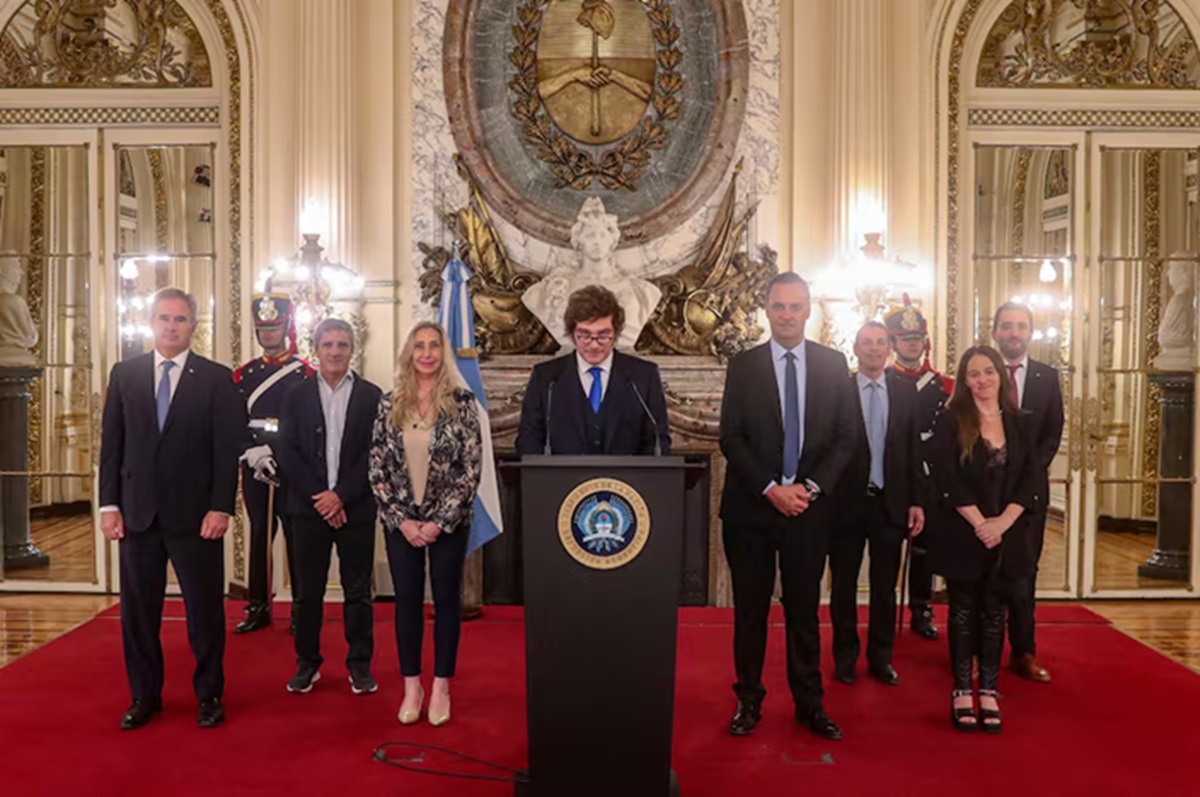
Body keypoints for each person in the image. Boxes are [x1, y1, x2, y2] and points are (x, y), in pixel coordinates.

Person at [99, 287, 245, 730]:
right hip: (137, 515)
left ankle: (209, 695)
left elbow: (226, 451)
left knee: (204, 613)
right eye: (163, 318)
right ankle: (145, 696)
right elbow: (112, 446)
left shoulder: (216, 379)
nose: (171, 326)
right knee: (138, 615)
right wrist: (109, 505)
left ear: (193, 326)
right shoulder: (125, 374)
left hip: (196, 517)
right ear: (151, 322)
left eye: (180, 319)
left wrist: (220, 508)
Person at [719, 272, 855, 739]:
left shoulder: (833, 364)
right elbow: (731, 437)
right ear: (767, 310)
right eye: (779, 306)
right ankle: (748, 702)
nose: (787, 315)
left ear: (808, 310)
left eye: (796, 306)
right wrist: (771, 488)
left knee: (803, 613)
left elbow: (846, 437)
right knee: (749, 613)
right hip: (751, 511)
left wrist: (809, 489)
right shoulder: (743, 366)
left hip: (808, 512)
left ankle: (809, 704)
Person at [369, 321, 482, 726]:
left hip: (447, 523)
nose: (427, 353)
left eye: (434, 345)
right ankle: (412, 686)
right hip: (402, 523)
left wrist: (437, 522)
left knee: (447, 602)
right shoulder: (389, 403)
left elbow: (470, 469)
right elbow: (377, 468)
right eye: (419, 346)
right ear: (409, 353)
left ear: (443, 352)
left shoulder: (463, 403)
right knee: (407, 603)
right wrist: (402, 521)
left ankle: (441, 686)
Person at [928, 345, 1041, 734]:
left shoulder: (1021, 422)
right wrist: (981, 524)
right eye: (973, 374)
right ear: (964, 380)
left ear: (1000, 375)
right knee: (962, 611)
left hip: (1008, 532)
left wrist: (1002, 523)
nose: (982, 380)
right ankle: (962, 690)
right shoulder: (951, 421)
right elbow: (946, 478)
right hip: (964, 530)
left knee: (995, 612)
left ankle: (989, 691)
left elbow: (1031, 480)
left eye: (988, 372)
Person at [275, 318, 382, 695]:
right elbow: (287, 451)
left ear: (353, 349)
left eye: (342, 344)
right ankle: (307, 664)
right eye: (328, 344)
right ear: (316, 349)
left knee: (358, 592)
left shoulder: (372, 396)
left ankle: (360, 666)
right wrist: (321, 496)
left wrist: (341, 496)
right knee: (307, 593)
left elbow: (376, 453)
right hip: (308, 510)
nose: (335, 351)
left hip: (356, 509)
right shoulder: (295, 395)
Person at [829, 322, 924, 687]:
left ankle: (881, 658)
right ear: (855, 349)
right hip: (846, 505)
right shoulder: (838, 390)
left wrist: (916, 501)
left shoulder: (905, 391)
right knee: (843, 586)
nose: (873, 348)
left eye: (880, 342)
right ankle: (845, 657)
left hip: (890, 504)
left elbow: (913, 449)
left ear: (889, 348)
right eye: (866, 342)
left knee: (885, 588)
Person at [991, 302, 1063, 683]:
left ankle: (1023, 652)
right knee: (982, 576)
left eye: (1021, 326)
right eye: (1007, 326)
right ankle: (977, 653)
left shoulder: (1046, 378)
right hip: (986, 494)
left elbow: (1052, 433)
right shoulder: (981, 373)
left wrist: (1026, 477)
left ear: (1030, 333)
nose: (1014, 333)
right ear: (995, 333)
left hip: (1029, 495)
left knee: (1023, 576)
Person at [233, 292, 312, 635]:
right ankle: (258, 606)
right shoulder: (243, 375)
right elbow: (234, 422)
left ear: (287, 327)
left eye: (275, 327)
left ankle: (300, 609)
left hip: (291, 466)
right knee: (260, 535)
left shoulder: (304, 373)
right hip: (255, 464)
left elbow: (309, 425)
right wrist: (252, 451)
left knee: (297, 536)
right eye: (263, 329)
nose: (268, 334)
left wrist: (280, 452)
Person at [515, 284, 671, 456]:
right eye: (585, 335)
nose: (594, 345)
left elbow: (657, 441)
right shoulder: (546, 378)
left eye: (603, 335)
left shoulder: (643, 376)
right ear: (572, 334)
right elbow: (528, 441)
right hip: (562, 473)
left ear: (615, 333)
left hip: (627, 474)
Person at [885, 295, 952, 640]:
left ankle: (921, 607)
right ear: (893, 342)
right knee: (887, 546)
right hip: (891, 475)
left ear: (924, 342)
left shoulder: (945, 386)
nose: (911, 344)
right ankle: (883, 608)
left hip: (929, 476)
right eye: (904, 338)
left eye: (916, 338)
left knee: (924, 547)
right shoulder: (880, 381)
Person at [520, 198, 662, 350]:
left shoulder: (641, 291)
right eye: (590, 235)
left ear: (612, 241)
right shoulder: (554, 289)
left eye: (602, 235)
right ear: (579, 241)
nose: (597, 242)